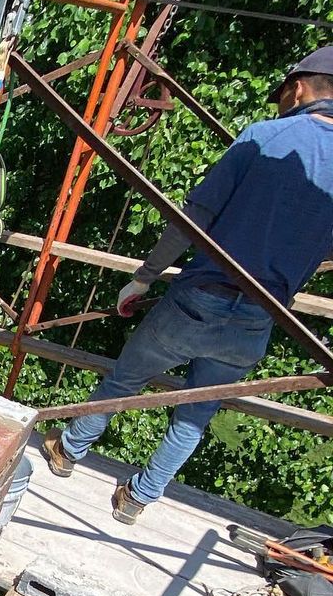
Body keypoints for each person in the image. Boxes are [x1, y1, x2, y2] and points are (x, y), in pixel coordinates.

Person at [43, 46, 333, 524]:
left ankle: (68, 451)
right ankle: (137, 498)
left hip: (200, 299)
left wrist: (143, 277)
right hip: (261, 317)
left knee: (127, 379)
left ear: (298, 88)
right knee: (195, 412)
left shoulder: (265, 137)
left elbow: (195, 217)